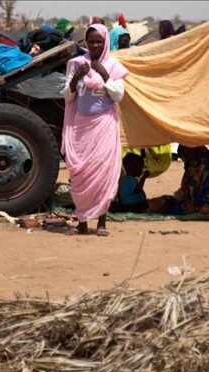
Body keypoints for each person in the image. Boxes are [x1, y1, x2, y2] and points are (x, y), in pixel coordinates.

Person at [62, 24, 129, 236]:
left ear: (106, 42)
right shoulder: (76, 64)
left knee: (104, 173)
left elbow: (118, 96)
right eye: (91, 41)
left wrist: (105, 75)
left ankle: (101, 222)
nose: (95, 45)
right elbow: (68, 96)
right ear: (86, 43)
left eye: (99, 41)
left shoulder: (113, 66)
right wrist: (75, 78)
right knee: (79, 174)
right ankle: (82, 222)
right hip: (80, 127)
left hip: (104, 126)